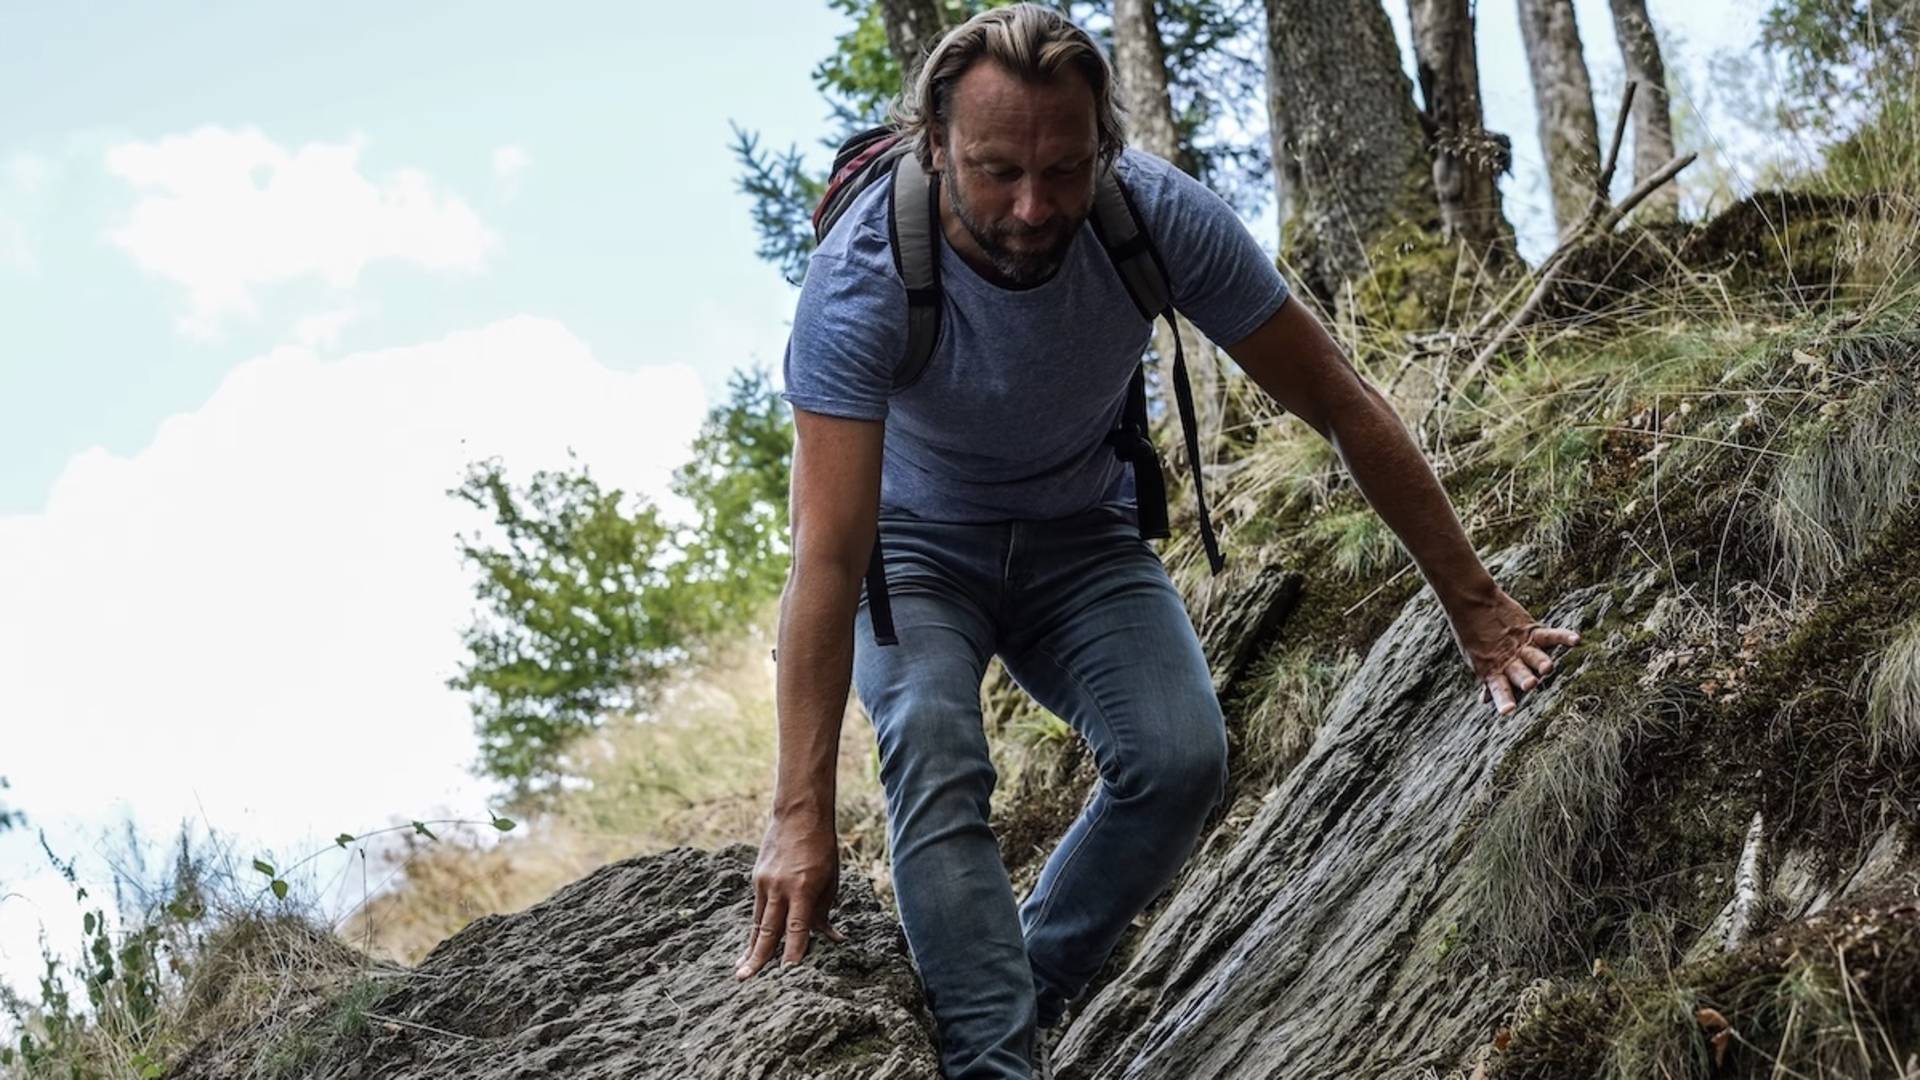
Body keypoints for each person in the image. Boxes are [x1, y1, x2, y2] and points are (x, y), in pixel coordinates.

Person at [732, 5, 1581, 1078]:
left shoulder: (1155, 215)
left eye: (1065, 169)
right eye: (997, 172)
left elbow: (1340, 402)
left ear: (1105, 146)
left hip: (1081, 534)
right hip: (910, 549)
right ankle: (994, 1061)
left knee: (1181, 761)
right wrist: (798, 812)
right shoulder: (862, 275)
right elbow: (825, 553)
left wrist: (1479, 609)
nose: (1034, 206)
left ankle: (1019, 985)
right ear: (935, 146)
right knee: (934, 744)